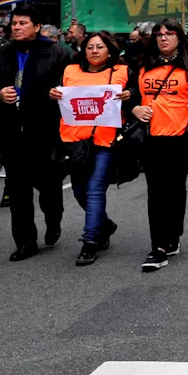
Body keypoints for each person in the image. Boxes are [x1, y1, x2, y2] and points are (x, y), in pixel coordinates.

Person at [0, 4, 71, 260]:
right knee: (18, 192)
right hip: (11, 134)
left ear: (37, 26)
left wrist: (57, 94)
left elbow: (71, 87)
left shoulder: (57, 53)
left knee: (49, 190)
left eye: (23, 23)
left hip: (45, 133)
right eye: (14, 23)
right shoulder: (1, 53)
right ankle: (25, 243)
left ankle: (53, 222)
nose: (17, 28)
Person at [50, 31, 130, 266]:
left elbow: (137, 96)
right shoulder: (70, 71)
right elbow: (58, 95)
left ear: (110, 51)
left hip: (105, 139)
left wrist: (130, 94)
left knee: (95, 189)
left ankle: (90, 241)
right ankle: (104, 224)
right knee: (79, 191)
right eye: (90, 47)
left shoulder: (122, 72)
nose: (94, 51)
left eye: (100, 47)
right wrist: (53, 93)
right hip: (74, 139)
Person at [129, 19, 188, 271]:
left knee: (175, 190)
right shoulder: (142, 64)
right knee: (156, 193)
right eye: (159, 34)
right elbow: (129, 94)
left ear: (179, 37)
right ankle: (158, 247)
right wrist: (134, 107)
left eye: (170, 34)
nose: (164, 38)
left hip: (181, 138)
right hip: (151, 139)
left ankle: (172, 236)